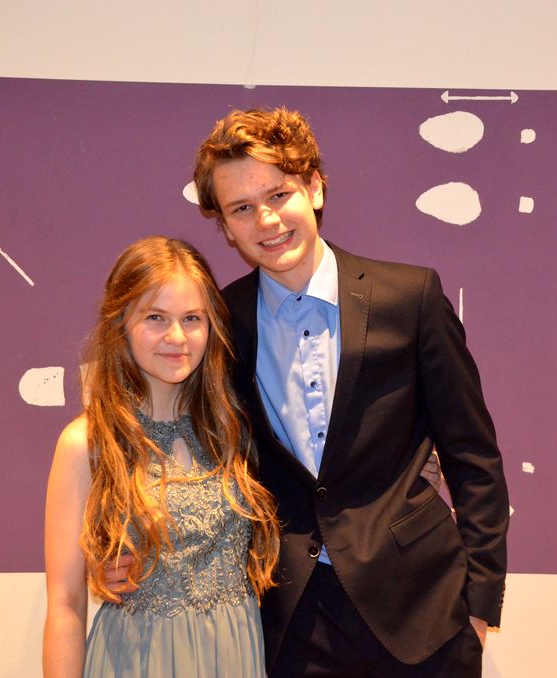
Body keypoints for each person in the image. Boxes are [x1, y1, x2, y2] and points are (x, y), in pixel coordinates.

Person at [192, 107, 510, 676]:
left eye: (279, 194)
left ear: (314, 188)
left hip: (423, 610)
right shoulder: (219, 322)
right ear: (226, 227)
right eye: (242, 208)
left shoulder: (409, 298)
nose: (266, 220)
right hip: (291, 619)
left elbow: (473, 457)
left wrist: (480, 605)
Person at [42, 236, 281, 677]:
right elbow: (65, 606)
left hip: (235, 657)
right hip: (136, 661)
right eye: (156, 317)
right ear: (121, 323)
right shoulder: (87, 443)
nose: (177, 337)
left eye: (192, 318)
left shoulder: (236, 429)